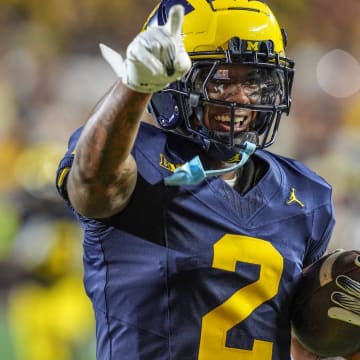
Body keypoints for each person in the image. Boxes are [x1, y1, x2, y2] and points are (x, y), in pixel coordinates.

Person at [55, 1, 359, 359]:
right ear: (171, 81)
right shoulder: (133, 158)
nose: (242, 97)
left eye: (257, 79)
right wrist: (132, 89)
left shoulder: (306, 194)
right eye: (221, 79)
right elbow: (92, 185)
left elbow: (301, 345)